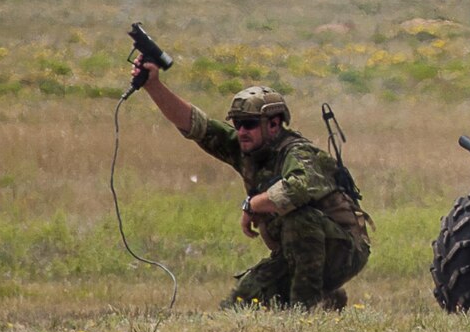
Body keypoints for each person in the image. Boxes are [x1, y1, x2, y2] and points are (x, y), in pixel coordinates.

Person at [132, 59, 371, 309]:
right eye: (238, 123)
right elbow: (195, 125)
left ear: (274, 124)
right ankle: (327, 296)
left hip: (345, 250)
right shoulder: (245, 148)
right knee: (240, 304)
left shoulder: (297, 152)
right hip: (296, 252)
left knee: (301, 219)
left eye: (250, 124)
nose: (242, 131)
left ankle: (305, 311)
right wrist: (153, 85)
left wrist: (252, 205)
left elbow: (298, 187)